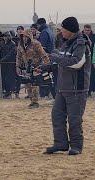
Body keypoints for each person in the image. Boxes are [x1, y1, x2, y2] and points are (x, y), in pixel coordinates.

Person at [45, 17, 91, 155]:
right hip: (62, 88)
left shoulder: (81, 44)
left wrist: (55, 57)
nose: (61, 31)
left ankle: (76, 146)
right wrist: (45, 67)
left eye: (63, 29)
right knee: (57, 115)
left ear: (70, 30)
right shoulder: (66, 43)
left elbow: (76, 62)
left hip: (77, 89)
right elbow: (60, 60)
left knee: (74, 119)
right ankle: (61, 144)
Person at [16, 29, 50, 108]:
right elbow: (18, 56)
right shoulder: (20, 45)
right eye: (23, 36)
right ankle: (32, 100)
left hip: (36, 66)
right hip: (26, 67)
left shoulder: (36, 44)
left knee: (35, 84)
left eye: (26, 36)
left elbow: (43, 54)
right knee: (28, 84)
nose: (24, 38)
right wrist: (17, 66)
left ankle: (35, 102)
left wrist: (47, 66)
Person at [36, 18, 55, 99]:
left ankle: (45, 94)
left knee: (45, 75)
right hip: (51, 56)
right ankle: (52, 95)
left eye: (38, 25)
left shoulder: (44, 32)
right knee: (50, 76)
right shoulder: (49, 31)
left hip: (45, 57)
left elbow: (42, 47)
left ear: (40, 24)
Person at [0, 31, 17, 99]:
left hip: (10, 63)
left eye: (7, 36)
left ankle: (9, 92)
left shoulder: (12, 44)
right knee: (3, 78)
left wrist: (2, 59)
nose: (5, 37)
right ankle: (5, 92)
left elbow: (10, 54)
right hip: (3, 64)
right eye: (4, 36)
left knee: (9, 78)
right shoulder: (2, 43)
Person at [83, 24, 95, 96]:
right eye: (86, 30)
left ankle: (90, 91)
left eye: (88, 30)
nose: (87, 31)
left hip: (91, 59)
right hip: (83, 59)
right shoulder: (81, 37)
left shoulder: (93, 37)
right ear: (83, 30)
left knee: (91, 76)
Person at [13, 26, 25, 98]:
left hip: (22, 61)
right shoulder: (13, 39)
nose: (20, 31)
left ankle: (17, 92)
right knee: (13, 76)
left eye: (21, 30)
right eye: (18, 30)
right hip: (13, 60)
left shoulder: (24, 39)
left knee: (19, 77)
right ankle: (14, 91)